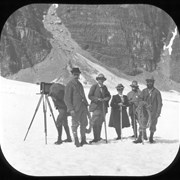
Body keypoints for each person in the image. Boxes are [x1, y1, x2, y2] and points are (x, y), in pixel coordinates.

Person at [64, 67, 91, 147]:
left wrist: (86, 105)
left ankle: (83, 139)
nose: (76, 75)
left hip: (83, 107)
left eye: (77, 74)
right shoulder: (70, 85)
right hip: (75, 108)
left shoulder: (80, 84)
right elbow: (67, 99)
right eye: (75, 74)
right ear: (72, 74)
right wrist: (71, 109)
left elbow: (83, 96)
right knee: (75, 125)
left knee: (84, 123)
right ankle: (76, 140)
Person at [133, 76, 163, 144]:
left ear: (153, 83)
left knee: (153, 125)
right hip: (144, 112)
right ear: (147, 82)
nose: (149, 83)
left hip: (153, 112)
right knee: (142, 123)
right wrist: (143, 104)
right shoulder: (144, 91)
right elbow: (140, 99)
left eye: (151, 82)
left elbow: (159, 103)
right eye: (148, 82)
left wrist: (158, 113)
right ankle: (140, 138)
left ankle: (151, 138)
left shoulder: (157, 92)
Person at [88, 73, 111, 143]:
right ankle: (95, 137)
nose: (101, 81)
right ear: (98, 80)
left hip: (103, 107)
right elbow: (90, 96)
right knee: (95, 122)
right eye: (100, 79)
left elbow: (108, 95)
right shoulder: (94, 87)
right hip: (96, 107)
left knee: (100, 122)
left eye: (102, 79)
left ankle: (98, 137)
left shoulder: (105, 87)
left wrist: (106, 99)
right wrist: (97, 99)